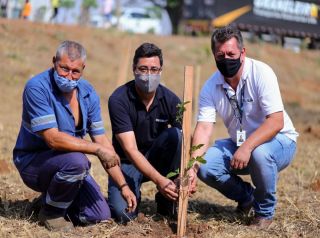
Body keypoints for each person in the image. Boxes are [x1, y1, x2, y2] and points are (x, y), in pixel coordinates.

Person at [13, 41, 137, 231]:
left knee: (99, 215)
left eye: (75, 71)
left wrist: (123, 186)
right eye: (64, 69)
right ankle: (51, 213)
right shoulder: (37, 87)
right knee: (78, 162)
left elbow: (102, 141)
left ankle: (49, 200)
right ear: (54, 62)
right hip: (34, 162)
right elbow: (53, 139)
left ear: (83, 69)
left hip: (67, 164)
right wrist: (97, 149)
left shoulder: (88, 93)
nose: (69, 76)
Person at [189, 25, 298, 229]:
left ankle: (264, 213)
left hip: (279, 141)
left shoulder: (261, 73)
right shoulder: (210, 87)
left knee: (259, 153)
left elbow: (276, 121)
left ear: (243, 52)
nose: (226, 59)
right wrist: (192, 167)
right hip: (239, 144)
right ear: (214, 55)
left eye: (231, 53)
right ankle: (247, 197)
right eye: (220, 55)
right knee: (206, 166)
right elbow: (203, 128)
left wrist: (247, 147)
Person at [108, 42, 182, 223]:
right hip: (127, 162)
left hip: (156, 159)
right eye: (143, 69)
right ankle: (136, 190)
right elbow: (131, 150)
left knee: (176, 136)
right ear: (134, 69)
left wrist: (186, 175)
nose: (149, 75)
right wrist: (159, 180)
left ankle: (166, 201)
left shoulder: (171, 100)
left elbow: (187, 141)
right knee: (123, 214)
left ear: (160, 71)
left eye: (154, 69)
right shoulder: (119, 99)